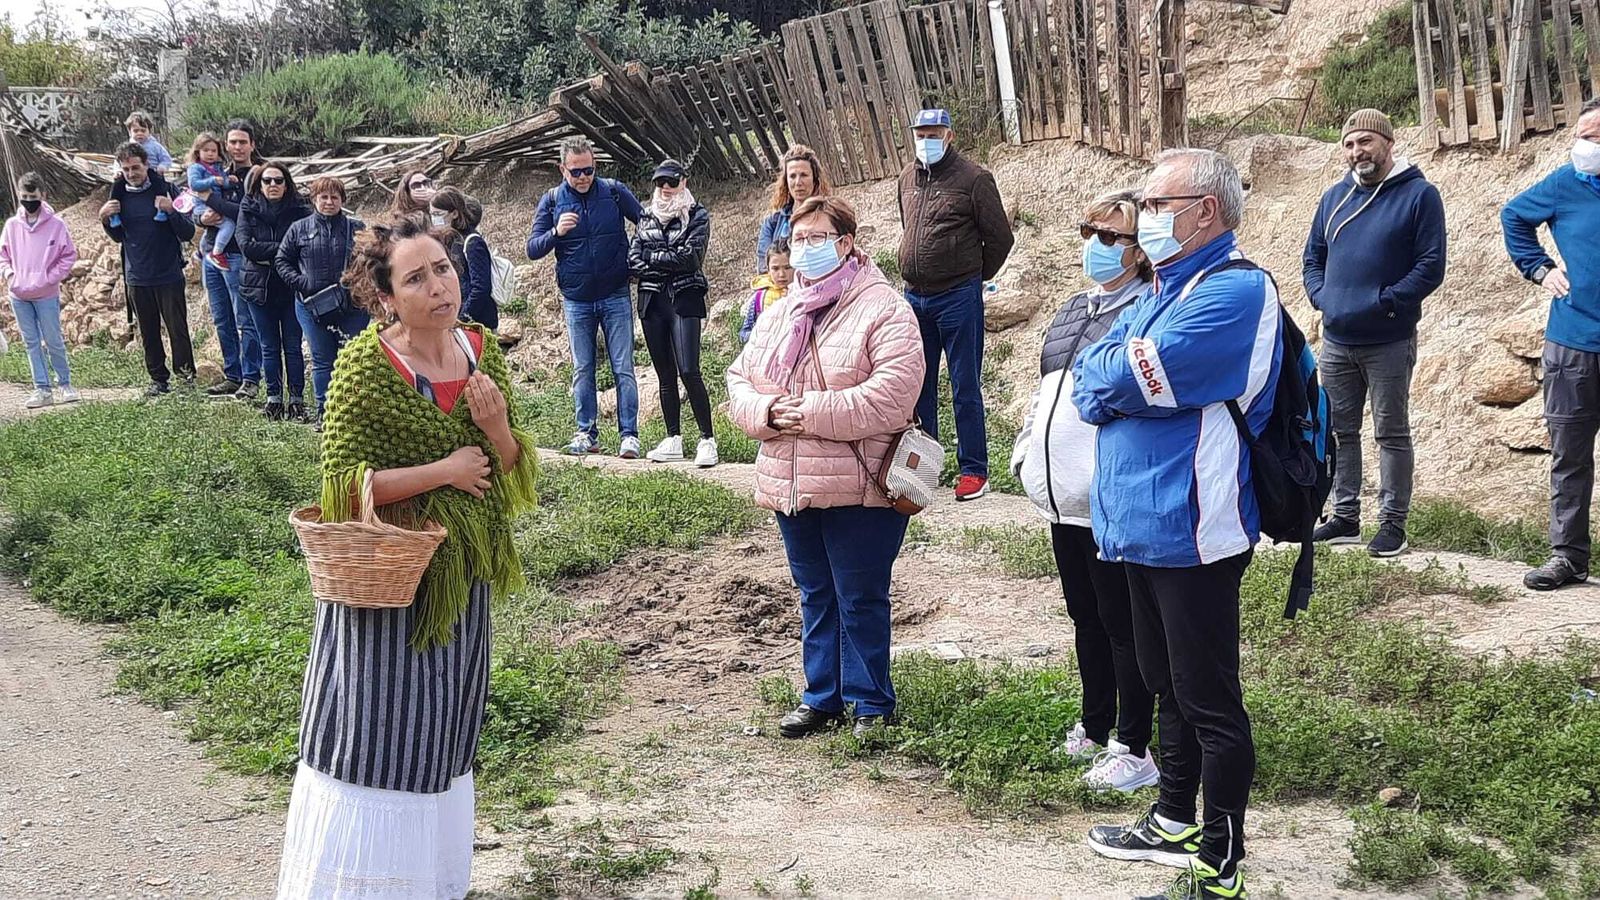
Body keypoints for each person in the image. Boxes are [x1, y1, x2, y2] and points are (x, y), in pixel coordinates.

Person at [275, 216, 539, 900]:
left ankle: (428, 884)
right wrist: (443, 470)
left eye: (443, 269)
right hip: (388, 581)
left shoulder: (480, 348)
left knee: (443, 735)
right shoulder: (367, 366)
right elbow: (341, 488)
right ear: (386, 295)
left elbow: (509, 467)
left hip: (461, 580)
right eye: (415, 277)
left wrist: (494, 426)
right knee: (377, 733)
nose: (437, 286)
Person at [1073, 149, 1278, 900]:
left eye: (1158, 206)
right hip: (1141, 525)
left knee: (1209, 699)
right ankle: (1170, 821)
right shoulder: (1165, 288)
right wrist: (1116, 377)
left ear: (1207, 212)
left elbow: (1131, 375)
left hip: (1194, 528)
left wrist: (1116, 377)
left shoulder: (1237, 290)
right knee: (1164, 686)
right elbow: (1096, 372)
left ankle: (1220, 868)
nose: (1145, 220)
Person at [727, 195, 925, 741]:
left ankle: (869, 705)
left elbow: (893, 396)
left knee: (859, 595)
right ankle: (822, 696)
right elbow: (739, 380)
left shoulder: (884, 308)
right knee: (814, 592)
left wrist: (807, 412)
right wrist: (768, 411)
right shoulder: (782, 310)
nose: (806, 249)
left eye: (818, 238)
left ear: (846, 243)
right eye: (799, 239)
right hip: (790, 479)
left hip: (859, 484)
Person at [1010, 189, 1157, 793]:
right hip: (1062, 499)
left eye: (1108, 237)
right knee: (1085, 616)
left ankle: (1134, 743)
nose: (1093, 246)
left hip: (1107, 498)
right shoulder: (1074, 307)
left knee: (1123, 624)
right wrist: (1025, 451)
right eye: (1087, 231)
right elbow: (1049, 394)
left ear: (1139, 249)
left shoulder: (1147, 308)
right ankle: (1096, 727)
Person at [1303, 108, 1447, 558]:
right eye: (1348, 144)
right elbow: (1313, 258)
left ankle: (1393, 525)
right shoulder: (1333, 198)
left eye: (1365, 141)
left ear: (1388, 142)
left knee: (1391, 432)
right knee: (1339, 431)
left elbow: (1430, 266)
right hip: (1336, 340)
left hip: (1388, 339)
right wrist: (1322, 297)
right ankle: (1345, 517)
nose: (1356, 152)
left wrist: (1386, 301)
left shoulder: (1420, 195)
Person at [1502, 97, 1600, 591]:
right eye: (1583, 136)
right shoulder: (1564, 185)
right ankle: (1568, 558)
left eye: (1597, 135)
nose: (1588, 145)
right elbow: (1514, 217)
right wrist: (1539, 269)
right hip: (1573, 344)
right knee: (1570, 455)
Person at [897, 108, 1015, 502]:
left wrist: (971, 276)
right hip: (914, 297)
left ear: (949, 135)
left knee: (965, 383)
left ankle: (973, 470)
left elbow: (1000, 239)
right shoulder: (906, 179)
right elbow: (908, 228)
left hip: (957, 297)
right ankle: (925, 468)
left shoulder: (974, 179)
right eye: (920, 133)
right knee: (919, 385)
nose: (925, 140)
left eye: (933, 133)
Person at [526, 137, 644, 458]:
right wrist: (556, 233)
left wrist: (633, 258)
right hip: (576, 299)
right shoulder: (551, 201)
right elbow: (532, 248)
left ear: (596, 166)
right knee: (583, 368)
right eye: (576, 172)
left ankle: (629, 435)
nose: (583, 178)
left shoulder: (614, 192)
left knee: (623, 367)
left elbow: (645, 223)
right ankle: (585, 432)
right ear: (562, 169)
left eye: (589, 170)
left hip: (615, 293)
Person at [630, 159, 717, 467]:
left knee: (689, 369)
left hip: (684, 296)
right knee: (664, 374)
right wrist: (665, 259)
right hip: (652, 300)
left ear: (684, 181)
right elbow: (633, 259)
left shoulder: (697, 214)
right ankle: (673, 438)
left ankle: (707, 438)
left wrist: (653, 258)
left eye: (671, 182)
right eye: (660, 183)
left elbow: (692, 258)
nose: (665, 188)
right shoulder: (645, 214)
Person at [100, 141, 197, 396]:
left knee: (177, 329)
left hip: (168, 274)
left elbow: (188, 231)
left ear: (146, 165)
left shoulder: (167, 190)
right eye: (127, 169)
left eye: (136, 167)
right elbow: (119, 236)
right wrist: (105, 220)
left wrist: (171, 211)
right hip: (137, 277)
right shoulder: (118, 196)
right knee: (149, 332)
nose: (132, 173)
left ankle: (186, 380)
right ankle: (158, 381)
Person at [276, 176, 366, 432]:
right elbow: (282, 261)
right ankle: (325, 414)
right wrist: (302, 282)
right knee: (322, 360)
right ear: (314, 199)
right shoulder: (299, 229)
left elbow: (373, 261)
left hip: (352, 306)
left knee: (352, 360)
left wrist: (358, 285)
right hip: (311, 306)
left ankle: (353, 415)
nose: (329, 202)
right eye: (323, 197)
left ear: (342, 200)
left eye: (334, 197)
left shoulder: (357, 228)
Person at [192, 119, 266, 400]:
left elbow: (245, 213)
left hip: (237, 255)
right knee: (222, 319)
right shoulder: (218, 174)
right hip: (212, 253)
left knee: (244, 318)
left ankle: (250, 378)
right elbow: (194, 208)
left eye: (242, 142)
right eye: (232, 142)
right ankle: (232, 375)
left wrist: (211, 199)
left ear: (252, 145)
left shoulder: (258, 177)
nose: (237, 147)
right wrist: (201, 216)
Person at [237, 162, 312, 423]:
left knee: (292, 346)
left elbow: (304, 245)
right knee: (269, 346)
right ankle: (274, 399)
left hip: (291, 287)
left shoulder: (300, 209)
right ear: (259, 184)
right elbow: (247, 247)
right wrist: (283, 249)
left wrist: (268, 251)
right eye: (267, 181)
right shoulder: (248, 208)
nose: (272, 185)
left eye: (278, 180)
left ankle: (297, 400)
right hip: (258, 288)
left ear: (286, 183)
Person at [1, 171, 80, 409]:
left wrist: (49, 278)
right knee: (31, 342)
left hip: (46, 293)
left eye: (32, 195)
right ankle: (42, 388)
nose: (28, 200)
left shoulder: (56, 225)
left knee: (53, 339)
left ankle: (65, 384)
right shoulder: (12, 225)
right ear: (18, 195)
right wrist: (10, 275)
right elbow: (3, 255)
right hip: (19, 295)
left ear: (42, 195)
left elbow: (68, 255)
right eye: (24, 196)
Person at [429, 187, 497, 330]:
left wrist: (463, 318)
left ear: (454, 213)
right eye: (432, 214)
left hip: (478, 322)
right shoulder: (450, 240)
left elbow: (481, 287)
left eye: (438, 214)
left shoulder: (472, 242)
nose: (435, 219)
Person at [757, 144, 830, 272]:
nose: (798, 182)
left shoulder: (829, 217)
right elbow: (763, 266)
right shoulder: (773, 222)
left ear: (815, 179)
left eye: (804, 175)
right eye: (792, 176)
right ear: (785, 181)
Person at [183, 131, 240, 273]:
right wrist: (212, 180)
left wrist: (230, 181)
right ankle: (217, 252)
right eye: (206, 150)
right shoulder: (196, 168)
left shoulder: (217, 168)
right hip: (202, 206)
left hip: (212, 203)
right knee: (227, 224)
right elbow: (194, 184)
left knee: (215, 227)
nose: (210, 154)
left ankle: (201, 251)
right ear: (198, 152)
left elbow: (222, 184)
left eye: (213, 151)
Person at [741, 236, 792, 343]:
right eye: (775, 268)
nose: (781, 274)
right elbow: (744, 333)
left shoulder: (803, 295)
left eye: (787, 268)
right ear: (768, 269)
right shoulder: (759, 297)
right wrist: (761, 336)